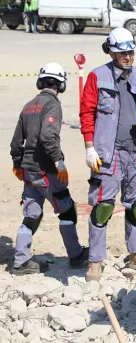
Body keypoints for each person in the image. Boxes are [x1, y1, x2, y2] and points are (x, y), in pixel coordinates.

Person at [80, 27, 136, 282]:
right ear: (111, 52)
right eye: (122, 52)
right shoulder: (97, 76)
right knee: (102, 207)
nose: (128, 56)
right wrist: (89, 147)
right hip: (107, 152)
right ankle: (95, 261)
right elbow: (87, 113)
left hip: (135, 152)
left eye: (131, 51)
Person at [10, 63, 89, 275]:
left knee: (32, 216)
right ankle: (76, 255)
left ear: (41, 82)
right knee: (67, 211)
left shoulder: (28, 106)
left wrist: (18, 165)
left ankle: (21, 261)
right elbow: (47, 135)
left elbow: (16, 143)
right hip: (47, 171)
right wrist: (58, 161)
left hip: (29, 172)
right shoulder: (52, 105)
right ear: (61, 84)